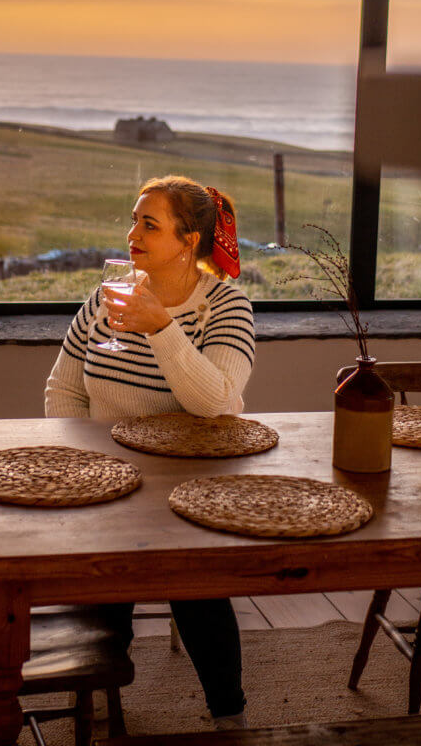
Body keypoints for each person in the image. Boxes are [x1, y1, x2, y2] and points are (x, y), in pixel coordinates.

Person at [45, 174, 255, 729]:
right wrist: (83, 469)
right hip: (108, 480)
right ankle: (93, 693)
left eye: (149, 223)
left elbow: (217, 403)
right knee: (103, 579)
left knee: (193, 582)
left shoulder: (226, 307)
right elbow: (63, 389)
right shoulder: (105, 297)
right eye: (134, 220)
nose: (132, 233)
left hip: (189, 486)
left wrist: (162, 327)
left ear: (188, 241)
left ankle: (228, 717)